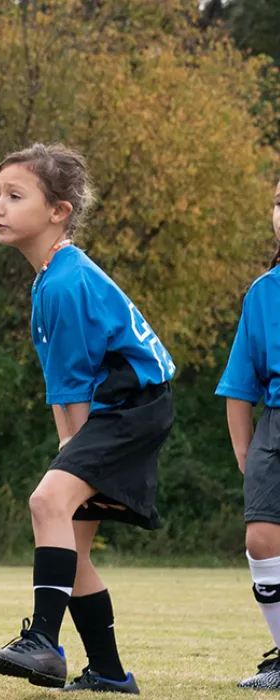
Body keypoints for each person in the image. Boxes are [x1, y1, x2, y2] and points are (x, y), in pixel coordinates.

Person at [0, 143, 174, 695]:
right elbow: (65, 387)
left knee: (47, 502)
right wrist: (70, 452)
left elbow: (86, 392)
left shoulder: (65, 282)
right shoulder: (49, 278)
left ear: (59, 210)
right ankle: (111, 675)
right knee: (72, 547)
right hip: (117, 408)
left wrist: (71, 457)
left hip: (133, 407)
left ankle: (43, 642)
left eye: (15, 196)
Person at [219, 175, 280, 691]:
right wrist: (246, 450)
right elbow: (240, 384)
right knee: (262, 540)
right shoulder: (262, 294)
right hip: (275, 428)